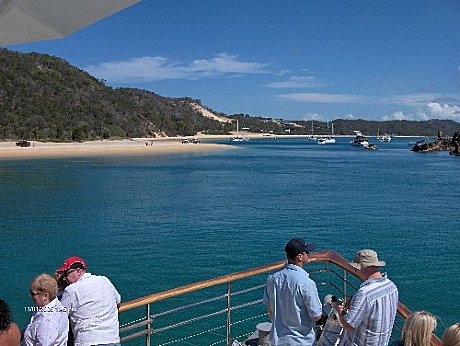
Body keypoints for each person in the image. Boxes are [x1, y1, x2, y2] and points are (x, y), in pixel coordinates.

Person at [332, 249, 398, 346]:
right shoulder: (391, 287)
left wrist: (339, 309)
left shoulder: (365, 294)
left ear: (364, 268)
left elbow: (349, 325)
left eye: (356, 268)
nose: (356, 271)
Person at [262, 238, 323, 345]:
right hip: (301, 341)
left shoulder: (272, 278)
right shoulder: (307, 283)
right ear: (300, 256)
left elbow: (270, 309)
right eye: (307, 252)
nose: (309, 254)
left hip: (278, 340)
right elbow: (316, 315)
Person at [57, 256, 121, 346]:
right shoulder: (104, 280)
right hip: (112, 339)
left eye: (66, 274)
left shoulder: (71, 290)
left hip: (88, 340)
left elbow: (59, 315)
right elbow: (118, 301)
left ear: (78, 271)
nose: (65, 278)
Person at [22, 273, 69, 345]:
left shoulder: (48, 320)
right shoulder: (58, 306)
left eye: (33, 293)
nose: (31, 297)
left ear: (45, 296)